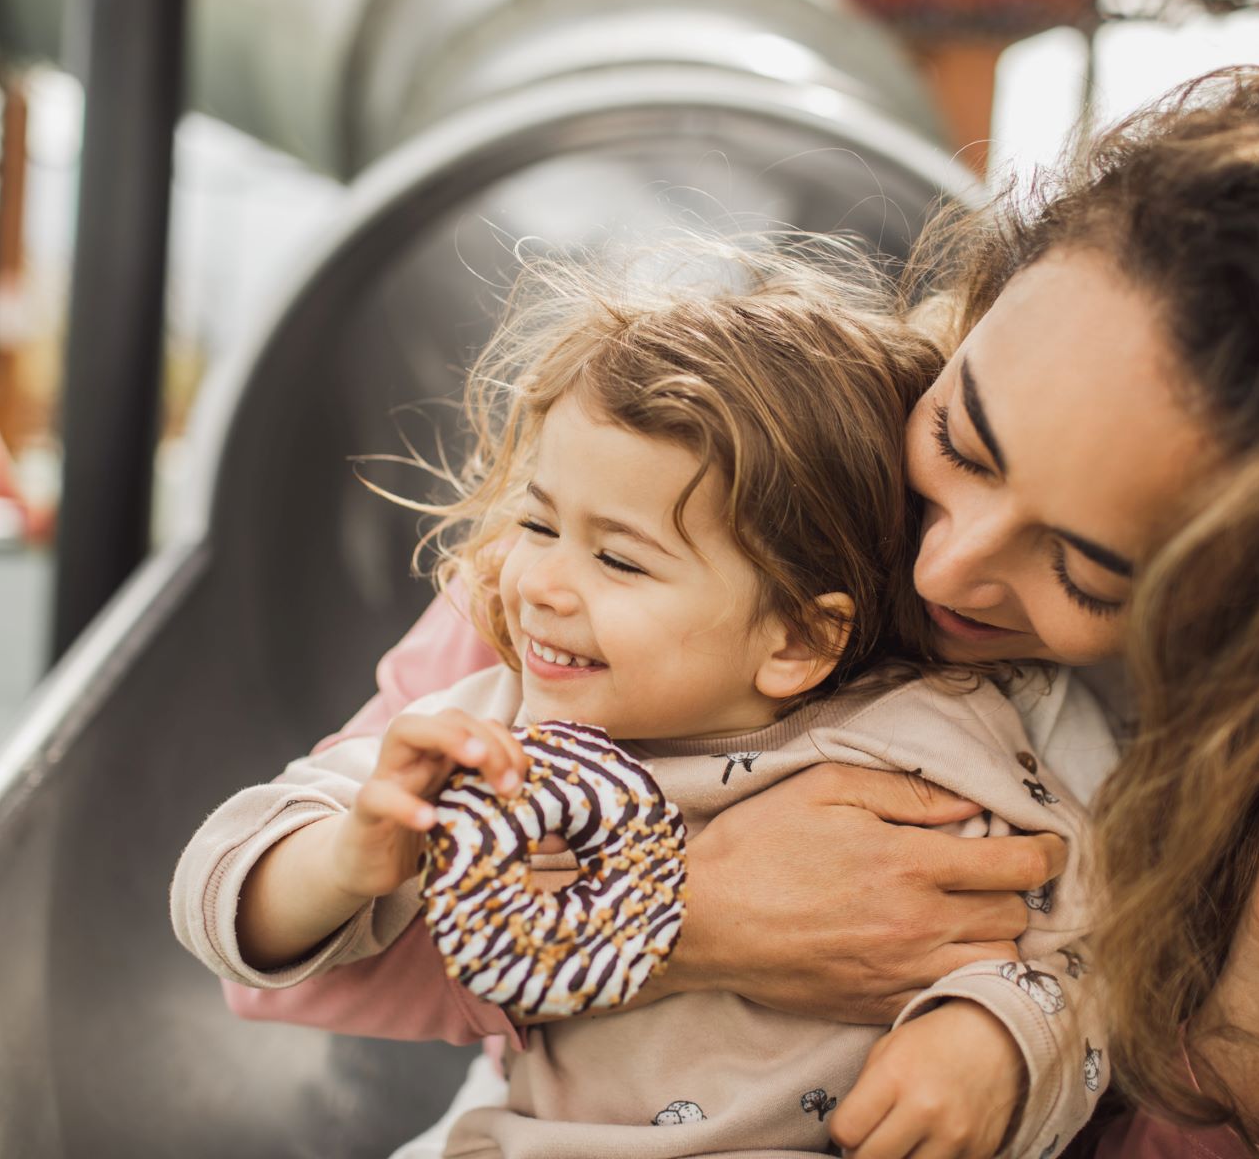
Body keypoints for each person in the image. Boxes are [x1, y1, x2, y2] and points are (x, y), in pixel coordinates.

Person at [218, 68, 1259, 1157]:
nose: (949, 571)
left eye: (1089, 572)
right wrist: (685, 911)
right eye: (964, 438)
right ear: (977, 309)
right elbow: (295, 968)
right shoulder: (685, 513)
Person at [173, 239, 1118, 1157]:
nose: (539, 580)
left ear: (793, 638)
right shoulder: (504, 727)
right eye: (538, 521)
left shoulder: (941, 736)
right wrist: (343, 858)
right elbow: (226, 885)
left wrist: (994, 1033)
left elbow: (1085, 943)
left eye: (618, 557)